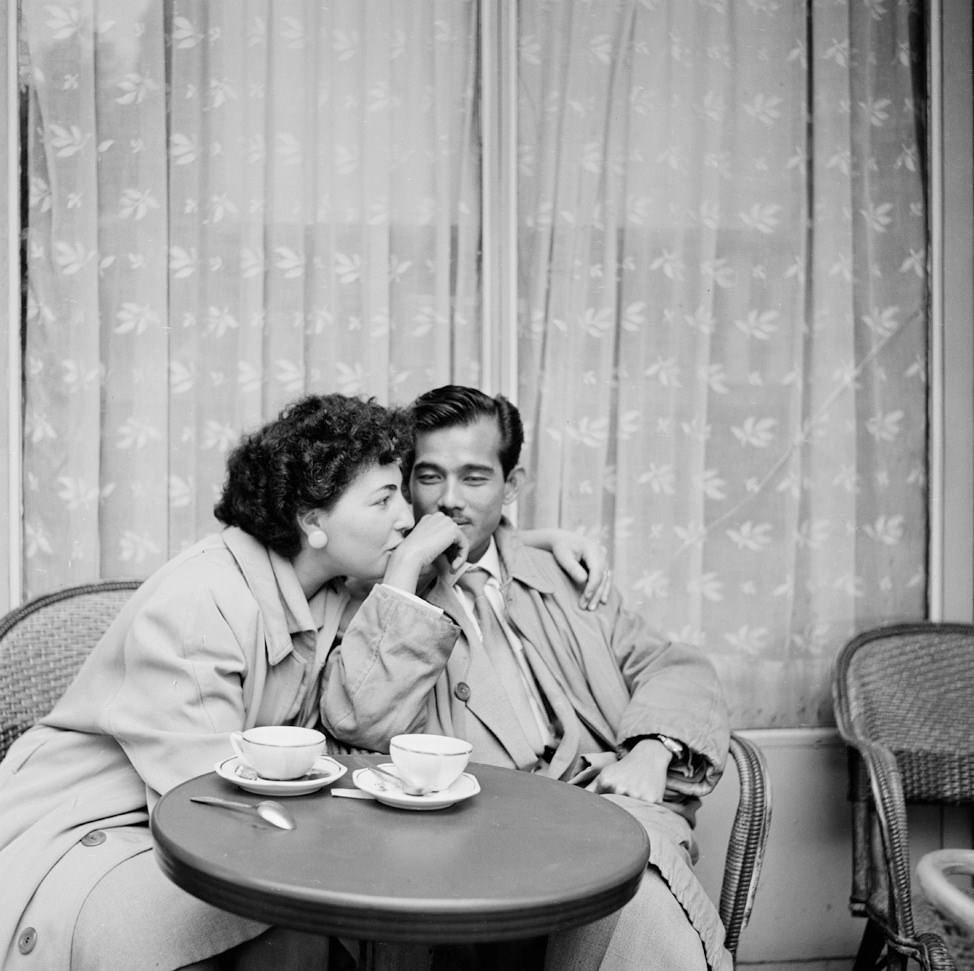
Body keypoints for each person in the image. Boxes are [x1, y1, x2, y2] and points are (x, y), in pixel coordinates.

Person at [0, 392, 605, 971]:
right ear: (313, 520)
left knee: (318, 916)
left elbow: (362, 712)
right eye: (385, 499)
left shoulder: (333, 590)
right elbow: (197, 797)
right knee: (292, 916)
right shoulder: (199, 599)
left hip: (237, 824)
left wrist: (522, 543)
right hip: (100, 825)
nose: (411, 517)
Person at [320, 385, 733, 971]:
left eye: (475, 478)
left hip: (601, 807)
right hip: (471, 834)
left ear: (512, 486)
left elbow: (676, 664)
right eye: (429, 477)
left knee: (637, 889)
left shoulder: (564, 577)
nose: (449, 501)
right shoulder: (379, 596)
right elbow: (356, 722)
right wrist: (407, 573)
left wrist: (652, 749)